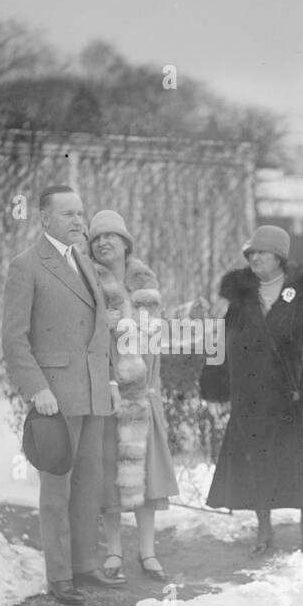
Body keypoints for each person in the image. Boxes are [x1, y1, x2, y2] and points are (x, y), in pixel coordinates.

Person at [2, 185, 122, 606]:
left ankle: (85, 565)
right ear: (44, 218)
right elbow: (14, 340)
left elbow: (101, 330)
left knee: (89, 485)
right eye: (68, 214)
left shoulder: (84, 262)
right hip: (55, 398)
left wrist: (109, 381)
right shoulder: (27, 266)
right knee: (57, 493)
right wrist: (38, 390)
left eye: (80, 213)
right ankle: (59, 576)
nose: (77, 221)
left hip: (92, 393)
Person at [203, 225, 303, 556]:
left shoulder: (302, 297)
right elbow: (221, 345)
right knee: (256, 466)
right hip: (251, 398)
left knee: (301, 463)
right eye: (250, 253)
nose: (254, 257)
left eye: (261, 252)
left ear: (279, 257)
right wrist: (216, 389)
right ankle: (263, 528)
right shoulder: (239, 299)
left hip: (293, 397)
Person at [87, 209, 179, 584]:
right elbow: (94, 342)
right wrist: (109, 381)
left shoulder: (146, 287)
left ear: (125, 242)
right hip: (111, 395)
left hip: (145, 395)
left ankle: (148, 552)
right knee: (112, 478)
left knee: (146, 478)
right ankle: (113, 551)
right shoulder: (92, 284)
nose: (103, 243)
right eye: (96, 239)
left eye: (110, 236)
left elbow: (156, 340)